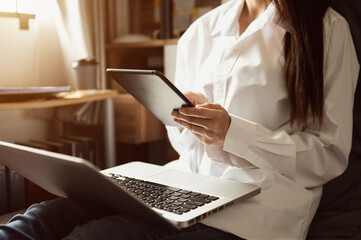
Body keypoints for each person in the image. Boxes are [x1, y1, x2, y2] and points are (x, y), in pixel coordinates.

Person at [0, 0, 359, 239]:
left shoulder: (325, 29)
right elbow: (181, 142)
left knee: (102, 234)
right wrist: (189, 122)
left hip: (260, 204)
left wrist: (233, 134)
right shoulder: (202, 31)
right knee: (40, 218)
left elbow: (328, 154)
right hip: (184, 182)